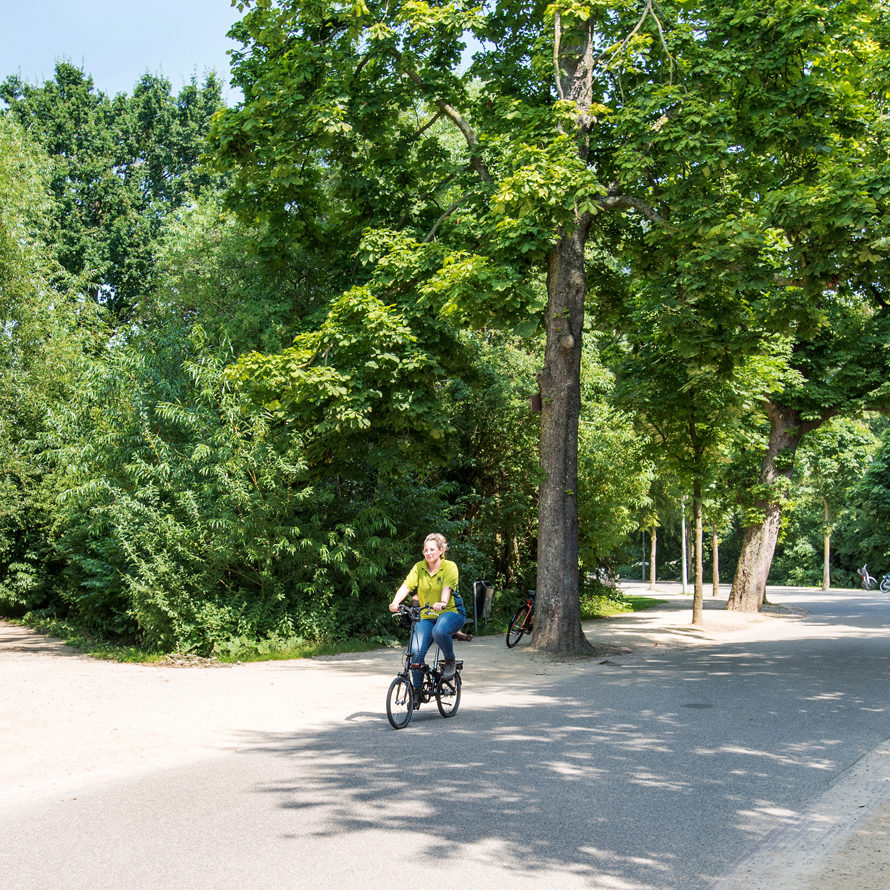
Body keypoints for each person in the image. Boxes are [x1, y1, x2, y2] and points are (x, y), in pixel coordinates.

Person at [389, 533, 464, 688]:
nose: (428, 553)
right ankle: (416, 691)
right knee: (415, 654)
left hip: (450, 613)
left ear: (441, 550)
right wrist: (395, 602)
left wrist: (442, 602)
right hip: (427, 616)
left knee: (440, 630)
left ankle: (450, 660)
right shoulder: (419, 567)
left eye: (432, 549)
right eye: (425, 550)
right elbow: (406, 586)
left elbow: (447, 588)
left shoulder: (449, 567)